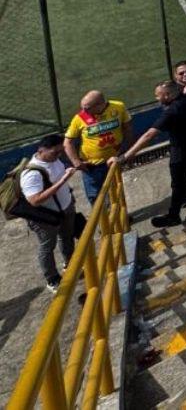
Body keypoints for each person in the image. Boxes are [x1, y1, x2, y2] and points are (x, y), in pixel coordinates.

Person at [111, 81, 186, 227]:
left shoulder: (172, 111)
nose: (157, 98)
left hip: (182, 152)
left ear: (167, 95)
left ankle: (174, 216)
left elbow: (149, 135)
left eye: (158, 95)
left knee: (178, 185)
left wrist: (125, 156)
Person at [21, 136, 78, 292]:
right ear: (41, 151)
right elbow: (34, 200)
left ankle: (70, 266)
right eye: (55, 152)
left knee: (67, 237)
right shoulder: (32, 174)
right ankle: (52, 279)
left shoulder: (53, 160)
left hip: (65, 209)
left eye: (61, 151)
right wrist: (63, 181)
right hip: (45, 218)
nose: (58, 155)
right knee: (47, 247)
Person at [63, 90, 131, 204]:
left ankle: (120, 219)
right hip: (92, 166)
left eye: (87, 108)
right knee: (95, 196)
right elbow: (67, 142)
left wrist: (126, 150)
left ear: (101, 104)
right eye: (82, 107)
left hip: (114, 161)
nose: (83, 111)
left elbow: (128, 128)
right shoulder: (79, 118)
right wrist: (76, 162)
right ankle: (103, 220)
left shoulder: (118, 107)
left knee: (116, 191)